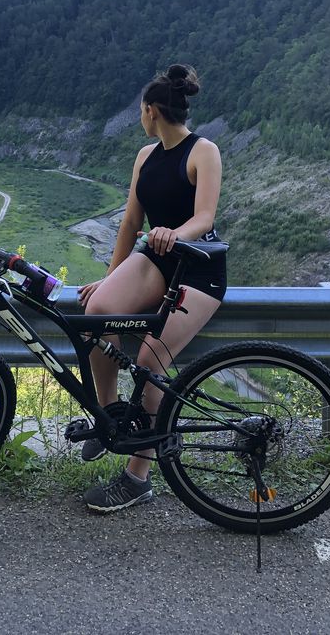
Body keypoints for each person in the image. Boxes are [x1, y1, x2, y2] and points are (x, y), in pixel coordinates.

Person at [77, 63, 226, 513]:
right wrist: (110, 276)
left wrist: (175, 233)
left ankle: (137, 477)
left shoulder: (204, 151)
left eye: (142, 113)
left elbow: (204, 219)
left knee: (148, 360)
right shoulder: (145, 156)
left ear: (150, 110)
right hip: (157, 259)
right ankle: (112, 420)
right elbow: (130, 223)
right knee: (97, 312)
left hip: (198, 265)